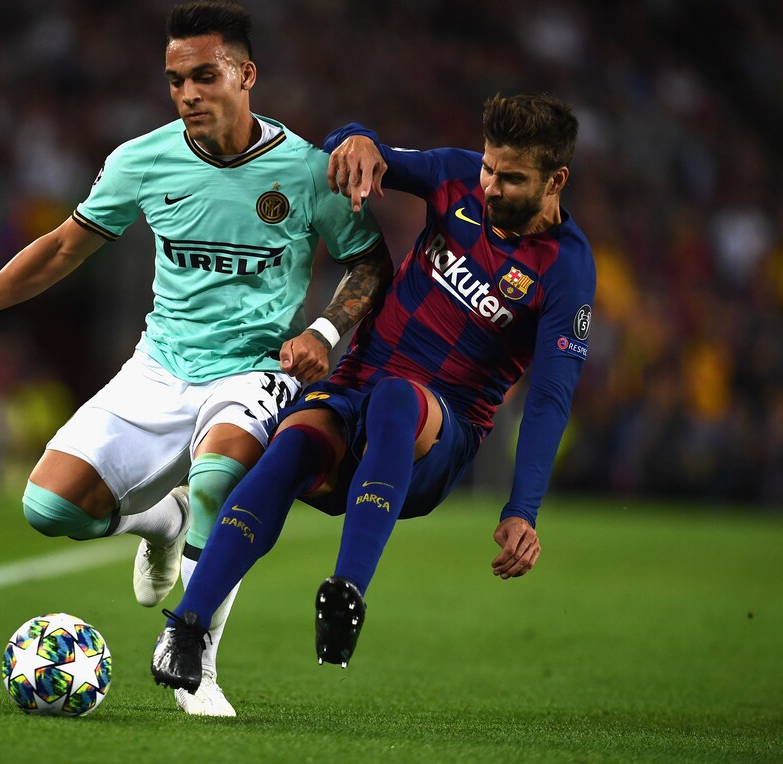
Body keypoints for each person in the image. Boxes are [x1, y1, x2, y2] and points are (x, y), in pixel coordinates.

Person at [0, 1, 391, 716]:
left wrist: (322, 331)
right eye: (175, 80)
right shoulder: (141, 159)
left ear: (246, 75)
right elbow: (63, 248)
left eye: (205, 76)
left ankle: (196, 668)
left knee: (219, 479)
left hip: (252, 369)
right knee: (48, 508)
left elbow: (370, 261)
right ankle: (160, 522)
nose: (188, 93)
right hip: (158, 367)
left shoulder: (307, 170)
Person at [151, 93, 596, 696]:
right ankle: (185, 627)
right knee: (291, 447)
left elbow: (548, 398)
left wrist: (523, 510)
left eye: (511, 178)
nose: (490, 185)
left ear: (556, 180)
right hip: (354, 388)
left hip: (437, 435)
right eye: (490, 167)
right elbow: (354, 147)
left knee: (397, 399)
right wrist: (355, 136)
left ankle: (347, 592)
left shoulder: (566, 268)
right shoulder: (456, 174)